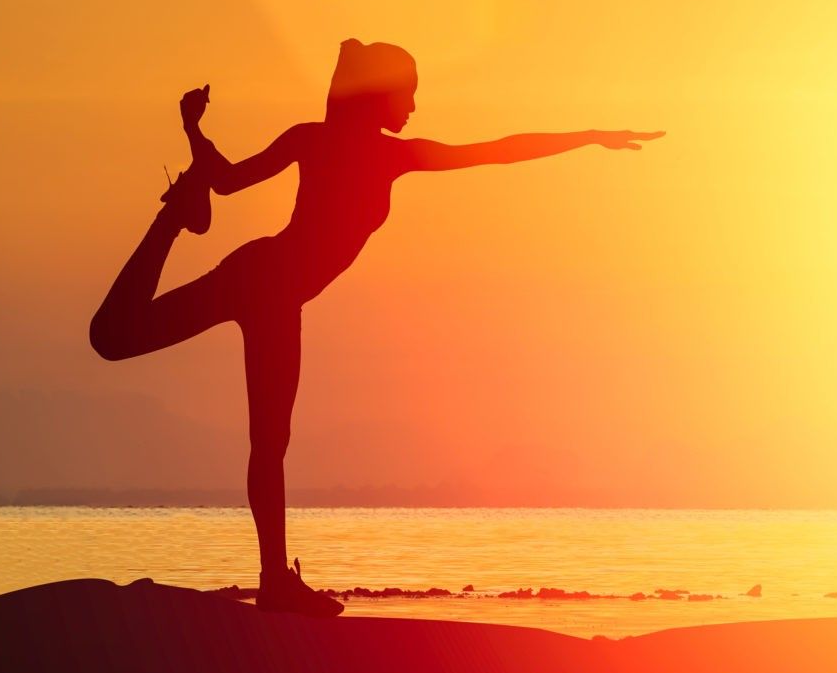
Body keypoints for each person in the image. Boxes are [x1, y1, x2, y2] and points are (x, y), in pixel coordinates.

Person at [87, 39, 662, 616]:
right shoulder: (349, 147)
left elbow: (499, 152)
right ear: (379, 94)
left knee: (258, 437)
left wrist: (585, 136)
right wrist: (192, 132)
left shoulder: (362, 149)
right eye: (408, 93)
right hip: (262, 282)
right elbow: (232, 181)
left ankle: (274, 582)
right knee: (125, 348)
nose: (413, 107)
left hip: (273, 292)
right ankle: (172, 216)